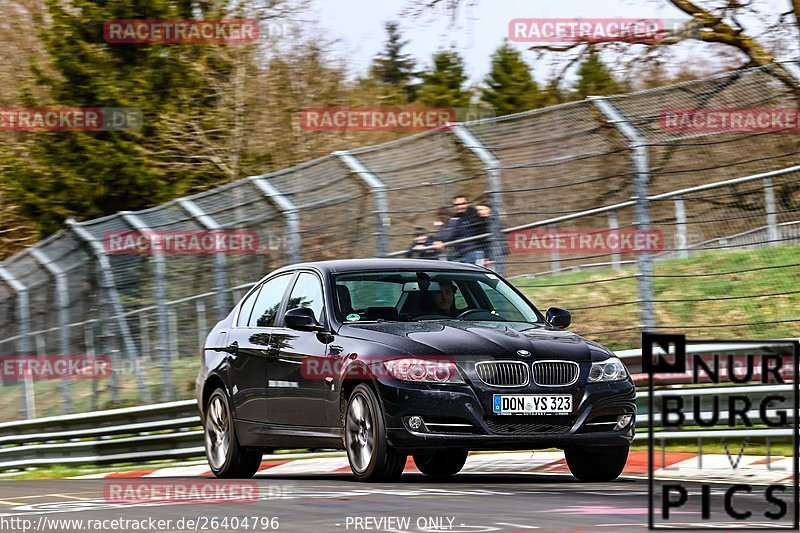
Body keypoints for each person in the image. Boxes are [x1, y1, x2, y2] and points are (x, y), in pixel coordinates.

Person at [440, 195, 486, 265]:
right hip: (461, 252)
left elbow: (484, 233)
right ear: (454, 206)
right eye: (457, 204)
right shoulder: (455, 218)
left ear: (467, 203)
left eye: (463, 204)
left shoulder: (475, 214)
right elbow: (449, 236)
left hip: (475, 251)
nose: (460, 206)